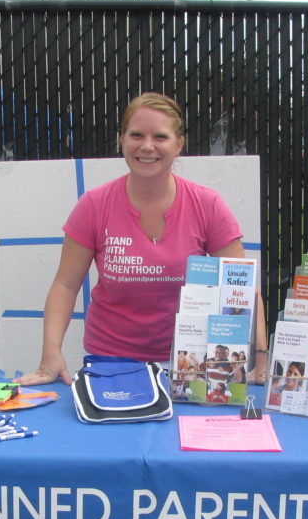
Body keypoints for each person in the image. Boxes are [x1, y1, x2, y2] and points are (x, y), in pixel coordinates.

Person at [18, 92, 267, 386]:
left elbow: (242, 288)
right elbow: (65, 285)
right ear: (122, 140)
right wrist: (51, 353)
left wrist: (261, 359)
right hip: (110, 362)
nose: (147, 146)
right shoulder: (94, 205)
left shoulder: (207, 204)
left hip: (190, 365)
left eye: (160, 137)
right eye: (136, 135)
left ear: (178, 145)